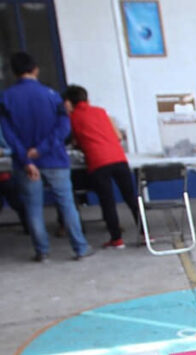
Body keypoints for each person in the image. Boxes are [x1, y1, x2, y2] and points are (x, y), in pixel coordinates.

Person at [0, 51, 92, 262]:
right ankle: (80, 247)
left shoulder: (6, 98)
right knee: (66, 204)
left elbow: (8, 133)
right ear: (36, 69)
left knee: (33, 207)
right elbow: (63, 128)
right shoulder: (52, 96)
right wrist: (41, 149)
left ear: (14, 73)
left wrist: (26, 157)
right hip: (54, 159)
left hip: (26, 165)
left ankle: (42, 251)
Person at [64, 84, 139, 250]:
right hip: (119, 158)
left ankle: (117, 239)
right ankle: (145, 234)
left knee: (108, 201)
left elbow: (74, 141)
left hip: (98, 162)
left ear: (69, 102)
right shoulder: (101, 111)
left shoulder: (72, 117)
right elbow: (118, 136)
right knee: (131, 197)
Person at [0, 129, 30, 234]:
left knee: (17, 202)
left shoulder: (3, 128)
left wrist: (3, 152)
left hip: (5, 174)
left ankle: (29, 227)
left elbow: (13, 148)